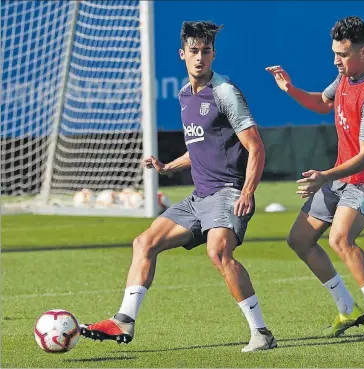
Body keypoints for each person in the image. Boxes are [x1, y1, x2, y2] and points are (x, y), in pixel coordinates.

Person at [81, 21, 277, 353]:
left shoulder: (224, 92)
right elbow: (201, 146)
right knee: (144, 243)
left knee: (218, 252)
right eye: (193, 51)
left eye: (206, 51)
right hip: (198, 197)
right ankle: (124, 321)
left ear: (213, 54)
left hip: (227, 192)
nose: (199, 58)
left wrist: (247, 192)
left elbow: (256, 146)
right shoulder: (184, 94)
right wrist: (168, 166)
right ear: (182, 54)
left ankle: (261, 333)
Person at [266, 16, 364, 347]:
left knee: (341, 239)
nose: (335, 61)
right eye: (335, 53)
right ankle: (347, 309)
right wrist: (292, 90)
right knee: (299, 239)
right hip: (341, 173)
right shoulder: (348, 73)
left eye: (341, 55)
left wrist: (324, 176)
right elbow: (324, 103)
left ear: (363, 52)